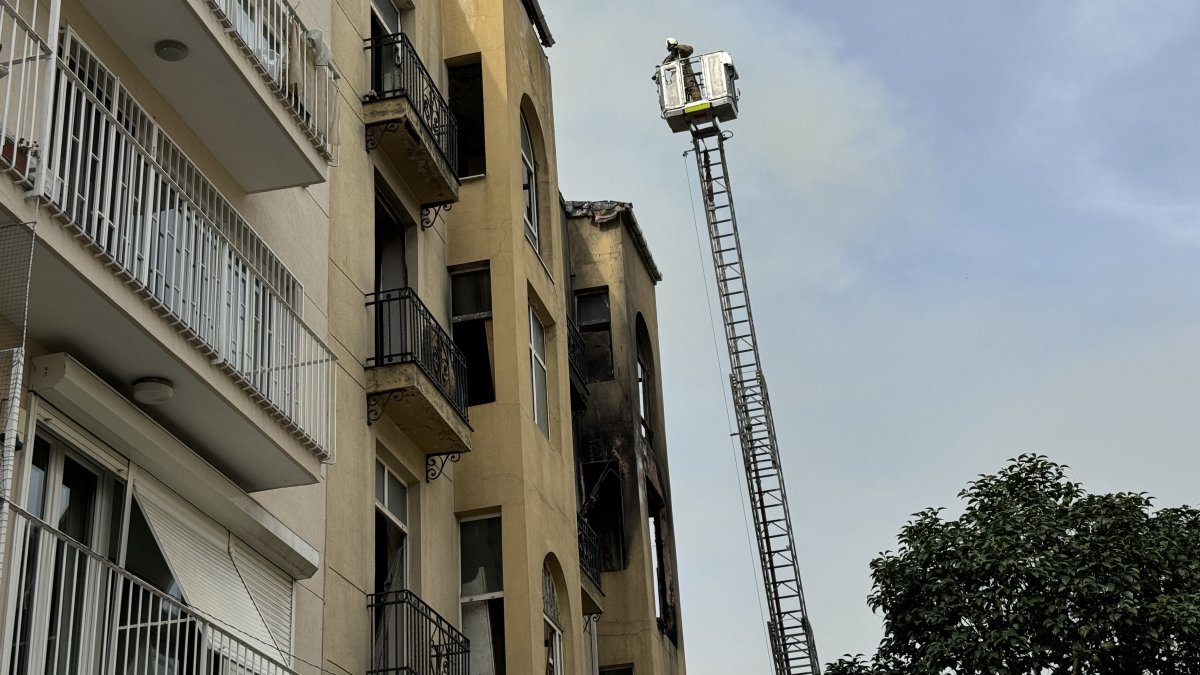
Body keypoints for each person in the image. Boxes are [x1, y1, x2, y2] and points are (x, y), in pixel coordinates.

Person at [662, 37, 701, 102]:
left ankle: (698, 101)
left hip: (687, 76)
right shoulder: (671, 57)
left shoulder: (683, 53)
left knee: (693, 89)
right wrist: (672, 56)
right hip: (678, 79)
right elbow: (664, 65)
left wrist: (677, 47)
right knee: (679, 94)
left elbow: (690, 49)